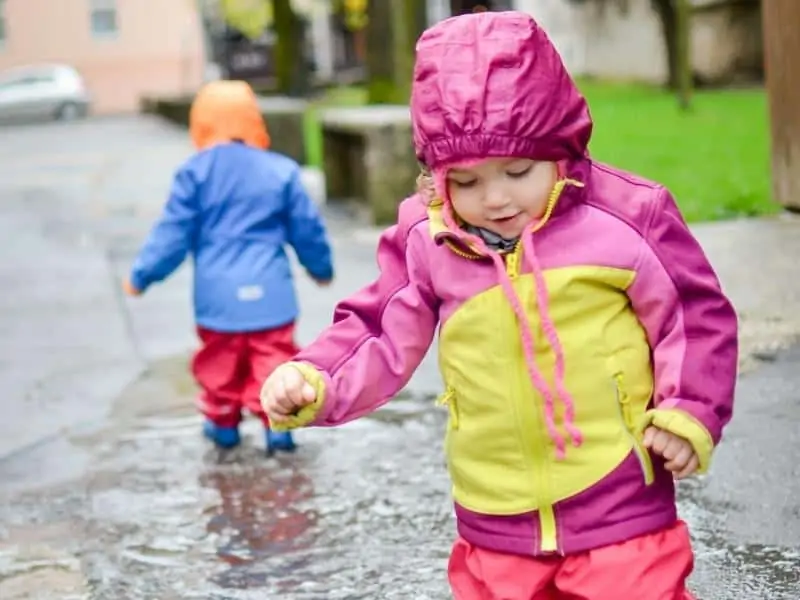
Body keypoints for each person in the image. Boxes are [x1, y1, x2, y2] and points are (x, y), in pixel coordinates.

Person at [260, 11, 738, 599]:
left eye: (518, 171)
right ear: (436, 177)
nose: (496, 199)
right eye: (466, 181)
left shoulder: (625, 216)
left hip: (618, 497)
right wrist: (315, 378)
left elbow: (694, 315)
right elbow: (380, 328)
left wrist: (689, 409)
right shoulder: (429, 236)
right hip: (494, 509)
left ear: (560, 150)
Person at [124, 80, 333, 456]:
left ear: (200, 123)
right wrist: (320, 268)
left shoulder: (195, 174)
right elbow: (307, 229)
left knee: (219, 363)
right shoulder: (281, 171)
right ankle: (279, 428)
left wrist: (141, 276)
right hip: (271, 293)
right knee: (273, 358)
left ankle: (223, 426)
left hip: (217, 297)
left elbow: (172, 234)